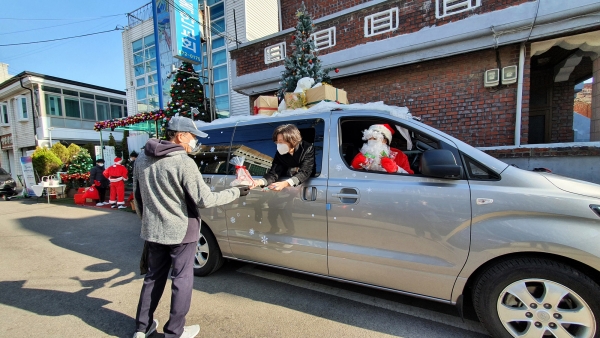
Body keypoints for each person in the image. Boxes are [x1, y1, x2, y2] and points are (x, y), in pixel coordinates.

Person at [132, 116, 249, 338]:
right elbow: (203, 199)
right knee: (181, 279)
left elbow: (137, 196)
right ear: (180, 135)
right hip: (182, 230)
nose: (194, 141)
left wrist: (145, 221)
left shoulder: (141, 158)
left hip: (153, 229)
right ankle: (174, 332)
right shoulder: (183, 161)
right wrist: (236, 192)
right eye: (193, 136)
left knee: (153, 277)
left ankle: (141, 328)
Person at [251, 124, 315, 191]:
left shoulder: (307, 148)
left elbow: (305, 172)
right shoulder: (280, 153)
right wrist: (259, 182)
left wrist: (285, 184)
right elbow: (274, 173)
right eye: (277, 142)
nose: (278, 145)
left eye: (281, 142)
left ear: (292, 140)